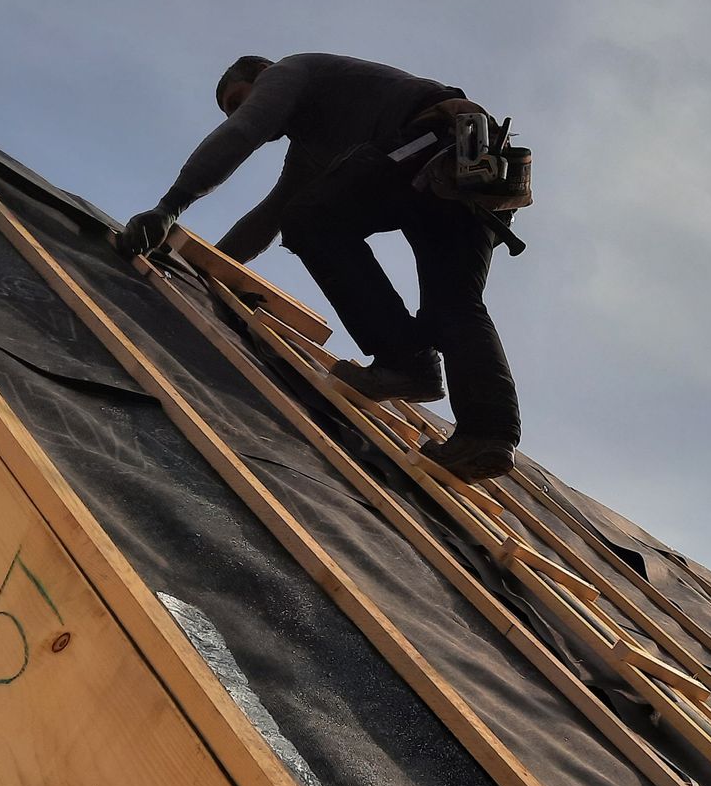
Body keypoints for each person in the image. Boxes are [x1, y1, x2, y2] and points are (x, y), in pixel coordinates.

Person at [118, 53, 521, 480]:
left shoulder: (290, 71)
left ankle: (406, 362)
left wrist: (169, 207)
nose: (240, 112)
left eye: (239, 100)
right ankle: (486, 434)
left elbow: (244, 132)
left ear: (262, 76)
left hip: (438, 141)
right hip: (476, 160)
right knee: (452, 302)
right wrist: (202, 264)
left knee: (313, 219)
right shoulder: (312, 150)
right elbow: (270, 216)